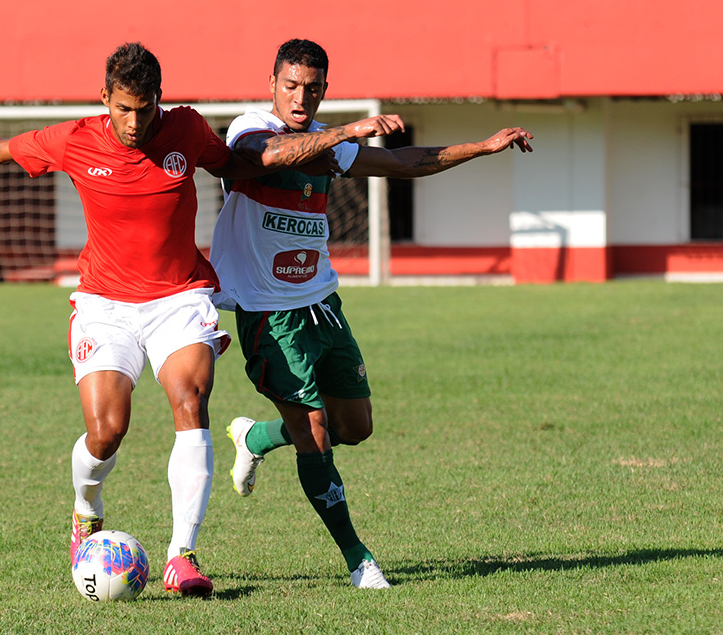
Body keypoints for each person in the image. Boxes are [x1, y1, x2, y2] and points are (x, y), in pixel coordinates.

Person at [0, 42, 334, 598]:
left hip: (178, 297)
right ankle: (85, 509)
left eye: (145, 109)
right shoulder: (75, 139)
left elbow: (238, 165)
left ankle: (180, 556)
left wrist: (316, 157)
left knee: (191, 398)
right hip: (105, 304)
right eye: (123, 109)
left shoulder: (186, 130)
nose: (134, 122)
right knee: (107, 430)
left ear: (160, 100)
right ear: (105, 99)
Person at [210, 38, 534, 589]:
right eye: (291, 85)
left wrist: (479, 147)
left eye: (312, 88)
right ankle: (359, 559)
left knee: (353, 428)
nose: (300, 96)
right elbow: (265, 158)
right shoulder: (249, 126)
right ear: (273, 84)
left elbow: (406, 161)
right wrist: (344, 132)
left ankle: (255, 438)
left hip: (322, 303)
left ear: (324, 90)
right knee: (315, 434)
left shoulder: (328, 146)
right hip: (270, 315)